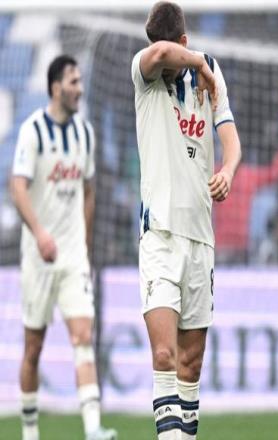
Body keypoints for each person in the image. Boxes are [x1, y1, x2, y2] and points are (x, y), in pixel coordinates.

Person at [131, 2, 241, 439]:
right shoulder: (145, 72)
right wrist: (197, 62)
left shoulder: (209, 73)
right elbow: (160, 55)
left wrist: (228, 170)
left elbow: (231, 141)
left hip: (200, 240)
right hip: (159, 236)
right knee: (164, 356)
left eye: (176, 50)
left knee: (191, 367)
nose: (164, 58)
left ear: (184, 40)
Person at [10, 55, 116, 440]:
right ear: (56, 88)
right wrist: (40, 233)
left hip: (72, 258)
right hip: (38, 258)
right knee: (33, 349)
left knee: (83, 336)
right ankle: (30, 432)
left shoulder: (85, 133)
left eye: (80, 81)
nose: (80, 89)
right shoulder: (33, 131)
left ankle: (93, 429)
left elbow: (89, 190)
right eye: (73, 82)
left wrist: (82, 244)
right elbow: (17, 187)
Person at [215, 114, 278, 264]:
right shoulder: (215, 173)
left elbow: (274, 173)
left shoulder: (247, 175)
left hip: (241, 251)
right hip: (220, 250)